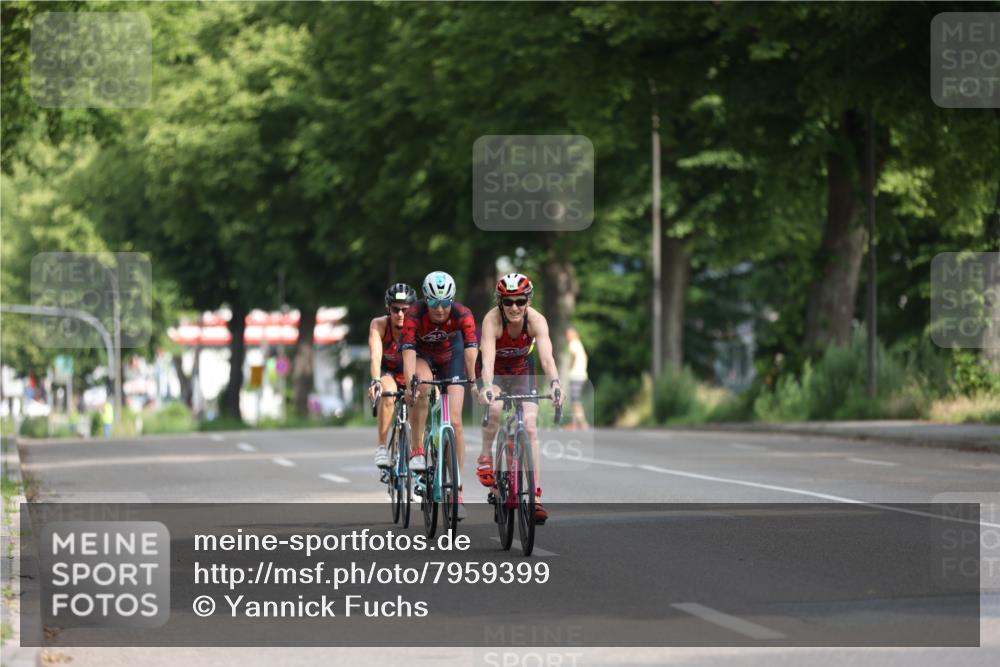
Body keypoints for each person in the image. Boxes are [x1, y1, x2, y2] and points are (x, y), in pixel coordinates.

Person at [477, 273, 563, 524]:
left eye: (520, 301)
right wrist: (486, 387)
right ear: (500, 303)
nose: (514, 307)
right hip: (496, 371)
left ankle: (535, 497)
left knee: (532, 427)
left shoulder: (536, 321)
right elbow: (489, 359)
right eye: (508, 302)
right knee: (494, 409)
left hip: (523, 369)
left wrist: (556, 383)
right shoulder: (491, 320)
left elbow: (547, 358)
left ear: (528, 301)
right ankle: (485, 457)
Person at [401, 271, 479, 519]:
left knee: (455, 421)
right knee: (421, 387)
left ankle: (457, 490)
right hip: (424, 356)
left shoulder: (462, 314)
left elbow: (470, 351)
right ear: (426, 299)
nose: (440, 308)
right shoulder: (415, 313)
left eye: (446, 302)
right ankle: (418, 449)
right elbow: (409, 352)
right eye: (434, 302)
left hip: (452, 357)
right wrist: (410, 384)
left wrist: (475, 381)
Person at [368, 283, 417, 469]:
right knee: (387, 392)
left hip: (412, 374)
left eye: (405, 309)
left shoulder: (418, 326)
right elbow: (375, 355)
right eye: (395, 309)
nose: (400, 314)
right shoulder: (379, 325)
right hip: (390, 373)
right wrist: (375, 380)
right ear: (388, 308)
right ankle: (382, 447)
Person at [565, 326, 590, 431]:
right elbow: (586, 357)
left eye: (569, 334)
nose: (567, 336)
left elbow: (574, 355)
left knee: (575, 401)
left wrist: (571, 365)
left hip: (576, 376)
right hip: (581, 375)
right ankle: (574, 424)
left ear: (574, 334)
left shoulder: (573, 344)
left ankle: (583, 424)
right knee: (575, 400)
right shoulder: (579, 343)